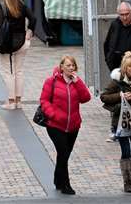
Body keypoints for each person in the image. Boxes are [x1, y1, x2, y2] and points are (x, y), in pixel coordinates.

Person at [40, 55, 92, 195]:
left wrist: (78, 82)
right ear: (61, 67)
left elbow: (86, 98)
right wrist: (53, 114)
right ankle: (65, 185)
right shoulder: (51, 81)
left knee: (64, 155)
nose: (71, 68)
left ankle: (58, 179)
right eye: (68, 65)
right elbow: (44, 101)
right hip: (55, 125)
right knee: (63, 152)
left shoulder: (76, 82)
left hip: (73, 126)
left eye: (73, 65)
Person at [100, 51, 131, 193]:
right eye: (129, 67)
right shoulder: (117, 81)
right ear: (124, 68)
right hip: (121, 123)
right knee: (126, 152)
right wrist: (120, 96)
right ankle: (127, 181)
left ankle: (130, 173)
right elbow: (104, 96)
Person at [0, 0, 36, 110]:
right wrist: (30, 31)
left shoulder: (2, 7)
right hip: (22, 41)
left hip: (7, 42)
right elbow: (33, 18)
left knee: (8, 72)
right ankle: (18, 101)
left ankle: (11, 101)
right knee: (19, 71)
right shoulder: (22, 5)